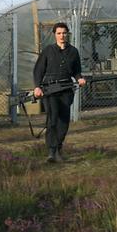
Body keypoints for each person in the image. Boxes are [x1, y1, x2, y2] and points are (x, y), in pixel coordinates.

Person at [33, 23, 86, 163]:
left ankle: (58, 148)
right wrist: (37, 87)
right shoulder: (48, 51)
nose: (62, 36)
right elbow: (39, 70)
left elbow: (76, 71)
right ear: (54, 34)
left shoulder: (73, 52)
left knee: (64, 121)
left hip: (66, 91)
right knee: (53, 119)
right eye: (59, 33)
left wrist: (80, 79)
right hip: (50, 90)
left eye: (64, 33)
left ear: (67, 34)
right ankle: (51, 152)